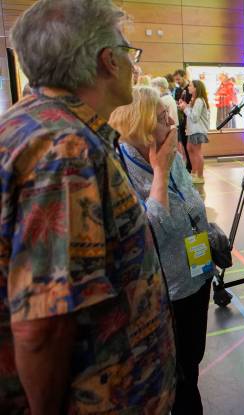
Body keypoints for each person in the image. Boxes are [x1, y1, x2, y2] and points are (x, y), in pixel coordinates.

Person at [0, 1, 176, 413]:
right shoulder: (66, 149)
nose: (135, 66)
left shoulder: (33, 124)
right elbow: (43, 326)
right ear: (108, 61)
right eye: (130, 52)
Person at [109, 86, 215, 415]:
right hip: (165, 292)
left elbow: (191, 204)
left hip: (196, 277)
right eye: (161, 116)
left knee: (191, 361)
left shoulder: (171, 156)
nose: (171, 120)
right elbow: (151, 233)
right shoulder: (119, 171)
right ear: (139, 125)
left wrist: (209, 231)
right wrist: (161, 172)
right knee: (177, 376)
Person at [178, 79, 210, 184]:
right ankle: (194, 172)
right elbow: (192, 113)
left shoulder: (199, 100)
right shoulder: (194, 99)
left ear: (196, 88)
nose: (188, 88)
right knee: (189, 149)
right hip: (192, 130)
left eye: (190, 86)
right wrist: (185, 106)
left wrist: (185, 108)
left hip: (198, 130)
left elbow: (195, 117)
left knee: (197, 152)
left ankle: (200, 176)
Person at [174, 68, 193, 171]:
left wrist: (183, 106)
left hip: (188, 121)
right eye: (176, 80)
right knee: (185, 146)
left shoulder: (190, 89)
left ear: (184, 77)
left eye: (178, 79)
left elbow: (190, 106)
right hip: (182, 121)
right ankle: (189, 165)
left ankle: (191, 166)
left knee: (190, 147)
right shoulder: (179, 90)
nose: (177, 82)